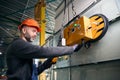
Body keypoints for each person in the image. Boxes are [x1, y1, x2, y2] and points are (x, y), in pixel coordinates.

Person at [6, 18, 83, 80]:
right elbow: (42, 51)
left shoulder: (24, 52)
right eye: (33, 31)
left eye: (36, 33)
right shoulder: (17, 45)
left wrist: (49, 61)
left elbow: (35, 72)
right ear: (24, 30)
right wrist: (71, 49)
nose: (36, 34)